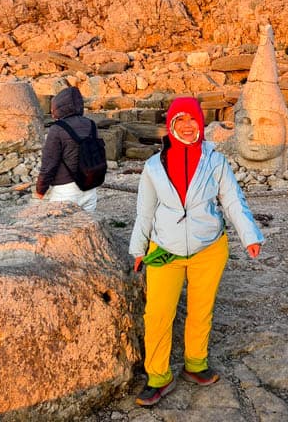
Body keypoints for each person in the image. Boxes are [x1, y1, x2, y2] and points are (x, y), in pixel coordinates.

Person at [128, 96, 264, 407]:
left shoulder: (215, 160)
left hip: (209, 247)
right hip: (164, 249)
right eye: (181, 120)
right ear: (171, 124)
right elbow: (145, 211)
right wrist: (138, 248)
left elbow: (232, 200)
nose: (188, 127)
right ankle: (158, 376)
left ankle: (196, 363)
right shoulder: (153, 166)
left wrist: (249, 235)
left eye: (194, 120)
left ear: (200, 124)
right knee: (158, 314)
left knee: (201, 310)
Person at [34, 86, 99, 211]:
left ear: (59, 108)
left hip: (66, 191)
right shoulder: (91, 124)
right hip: (90, 187)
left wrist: (40, 190)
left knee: (58, 228)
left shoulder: (57, 129)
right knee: (86, 228)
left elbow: (49, 164)